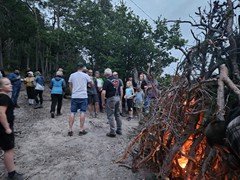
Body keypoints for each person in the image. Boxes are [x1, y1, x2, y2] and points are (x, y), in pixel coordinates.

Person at [0, 78, 24, 180]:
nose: (10, 85)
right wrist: (7, 127)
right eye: (7, 84)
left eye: (10, 83)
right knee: (9, 150)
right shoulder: (4, 98)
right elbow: (1, 113)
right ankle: (12, 174)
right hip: (3, 128)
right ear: (0, 87)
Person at [68, 63, 92, 136]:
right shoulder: (86, 75)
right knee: (82, 112)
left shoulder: (72, 75)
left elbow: (70, 85)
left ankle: (70, 129)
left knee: (72, 112)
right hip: (83, 96)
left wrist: (72, 93)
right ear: (83, 67)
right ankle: (81, 130)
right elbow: (92, 84)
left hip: (75, 96)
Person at [102, 68, 123, 137]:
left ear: (105, 74)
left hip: (110, 99)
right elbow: (120, 90)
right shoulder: (118, 80)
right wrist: (120, 99)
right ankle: (119, 130)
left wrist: (103, 102)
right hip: (117, 97)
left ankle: (112, 132)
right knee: (117, 114)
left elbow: (103, 92)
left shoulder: (107, 81)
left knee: (110, 115)